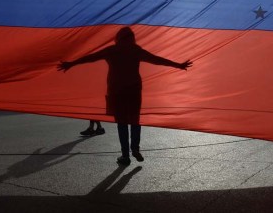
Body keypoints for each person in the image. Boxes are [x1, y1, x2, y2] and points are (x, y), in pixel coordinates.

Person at [58, 27, 192, 166]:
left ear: (118, 38)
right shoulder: (135, 50)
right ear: (132, 38)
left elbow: (90, 58)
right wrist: (178, 65)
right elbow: (156, 60)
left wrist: (71, 64)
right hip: (134, 90)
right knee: (135, 120)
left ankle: (125, 155)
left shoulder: (112, 50)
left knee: (122, 123)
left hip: (117, 91)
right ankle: (135, 148)